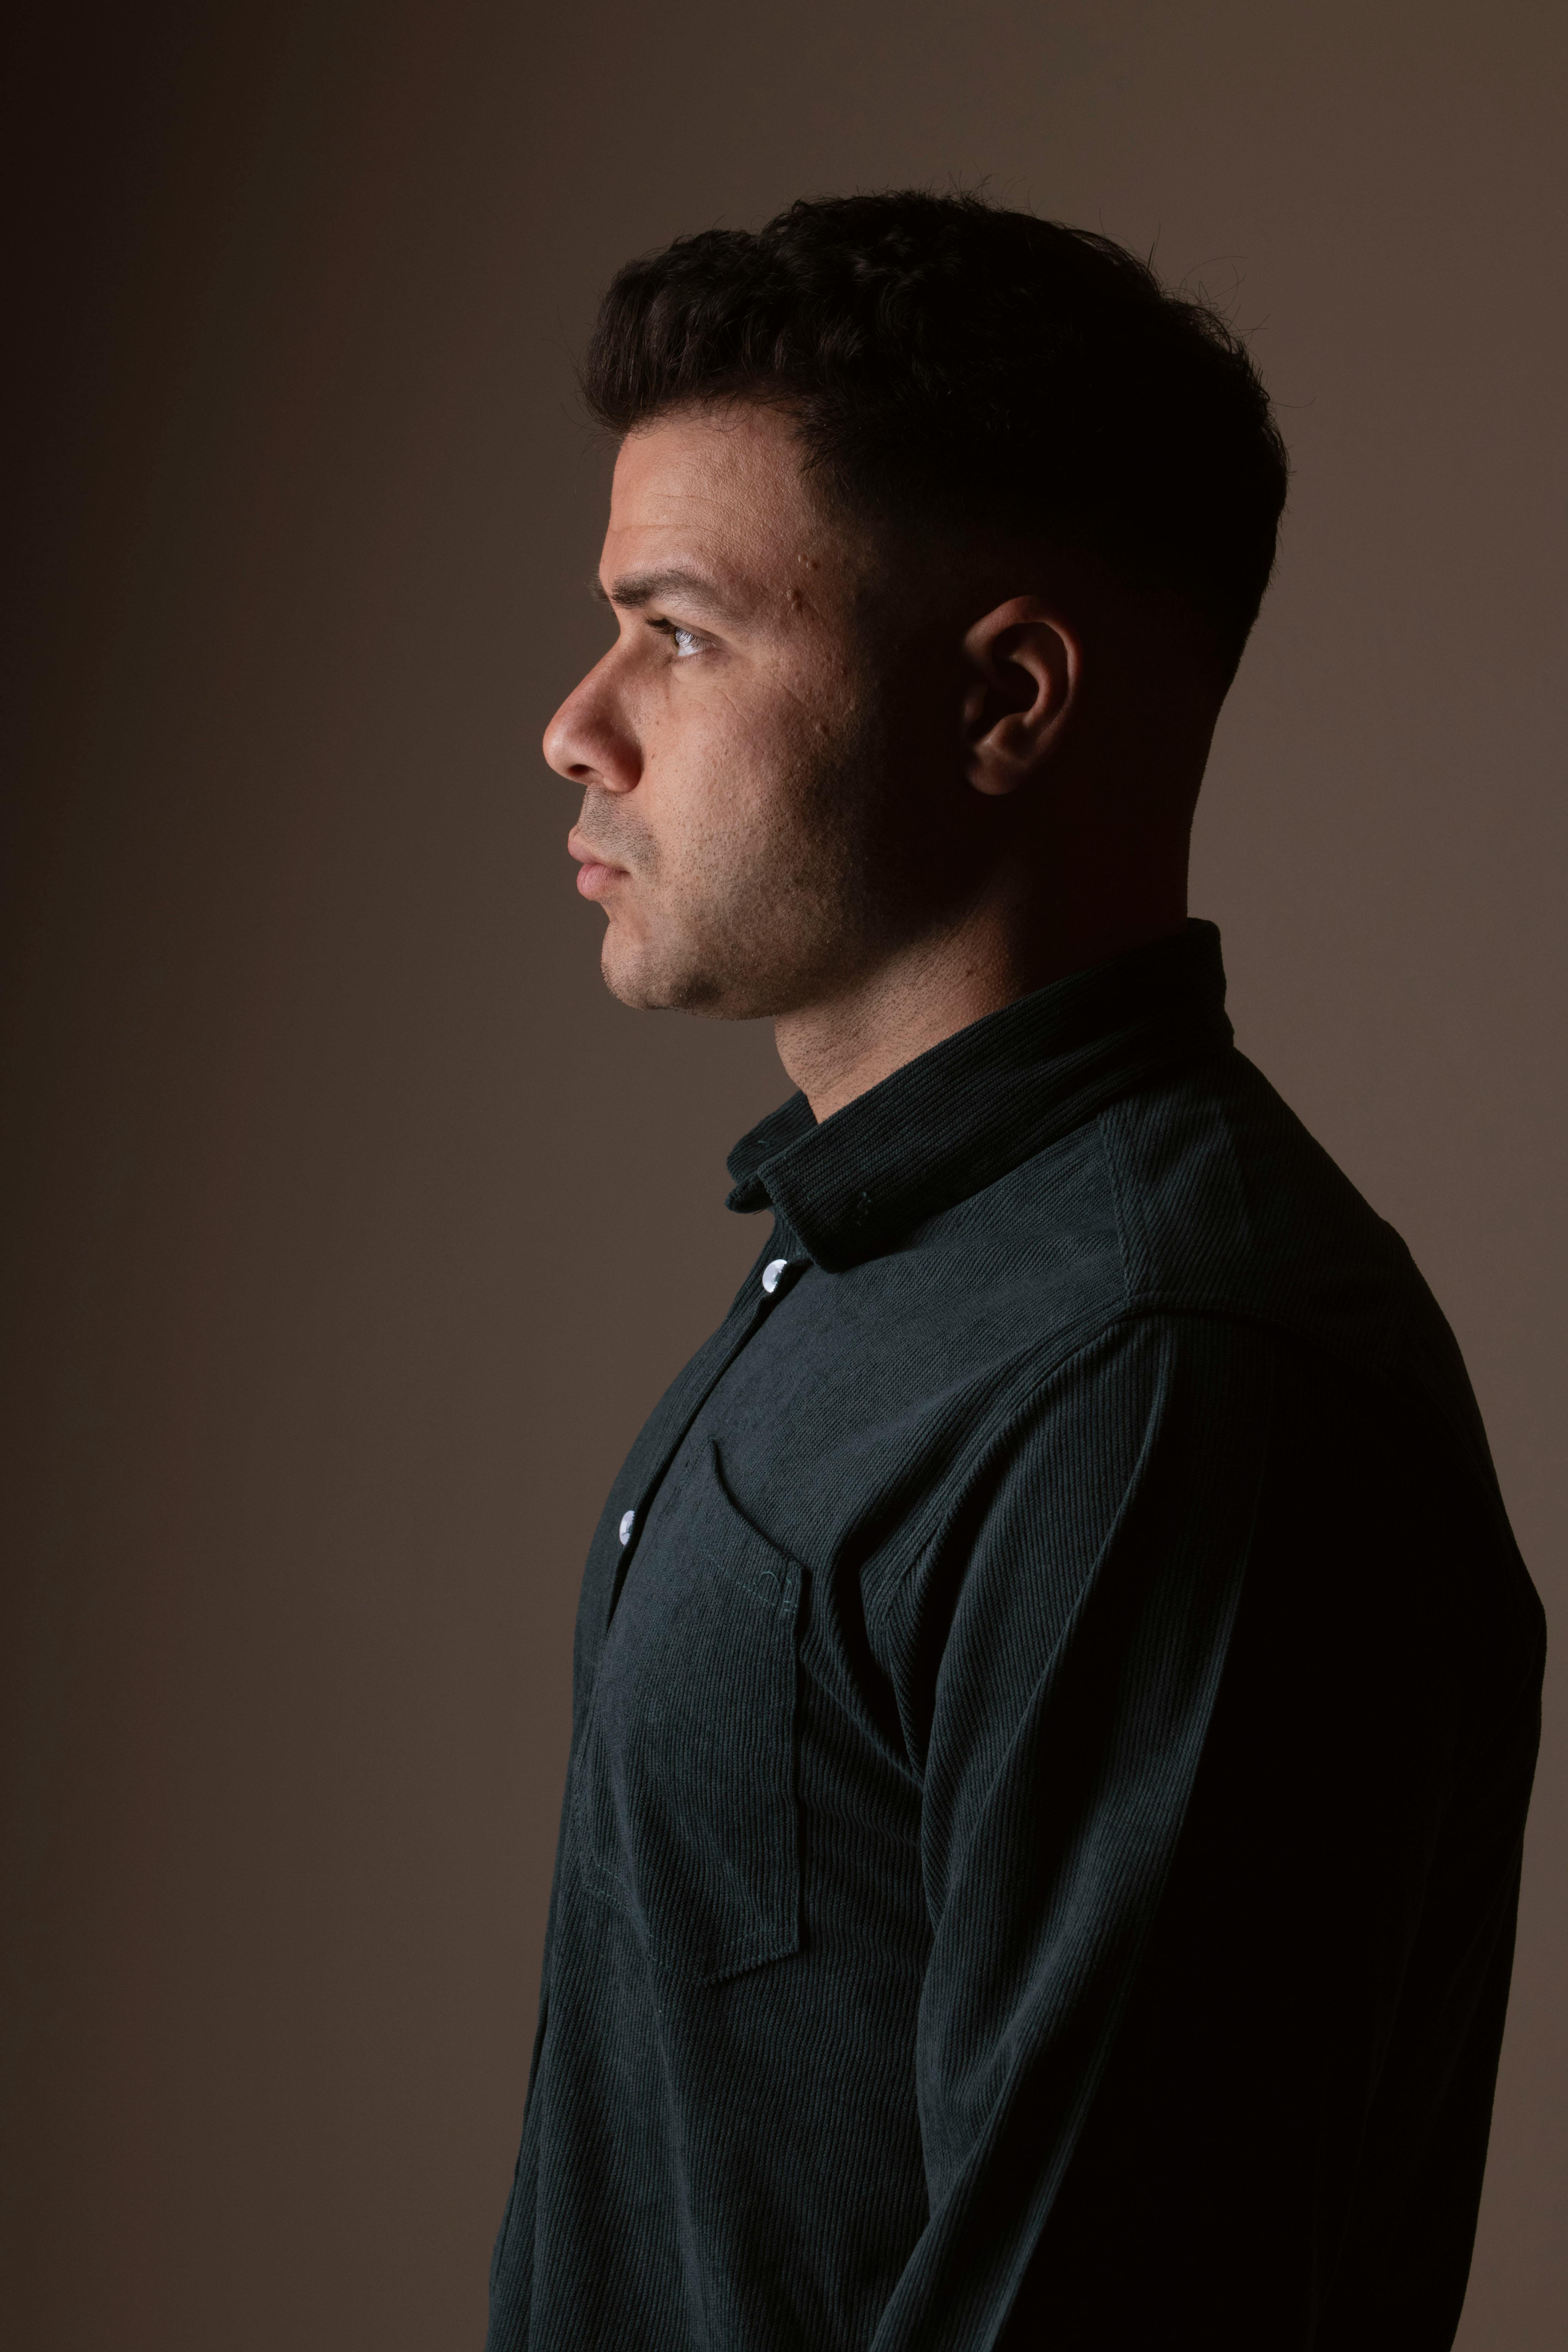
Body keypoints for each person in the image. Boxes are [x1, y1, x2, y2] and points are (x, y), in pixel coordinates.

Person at [484, 192, 1543, 2351]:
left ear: (1006, 701)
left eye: (677, 632)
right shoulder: (885, 1271)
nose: (578, 726)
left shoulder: (1166, 1378)